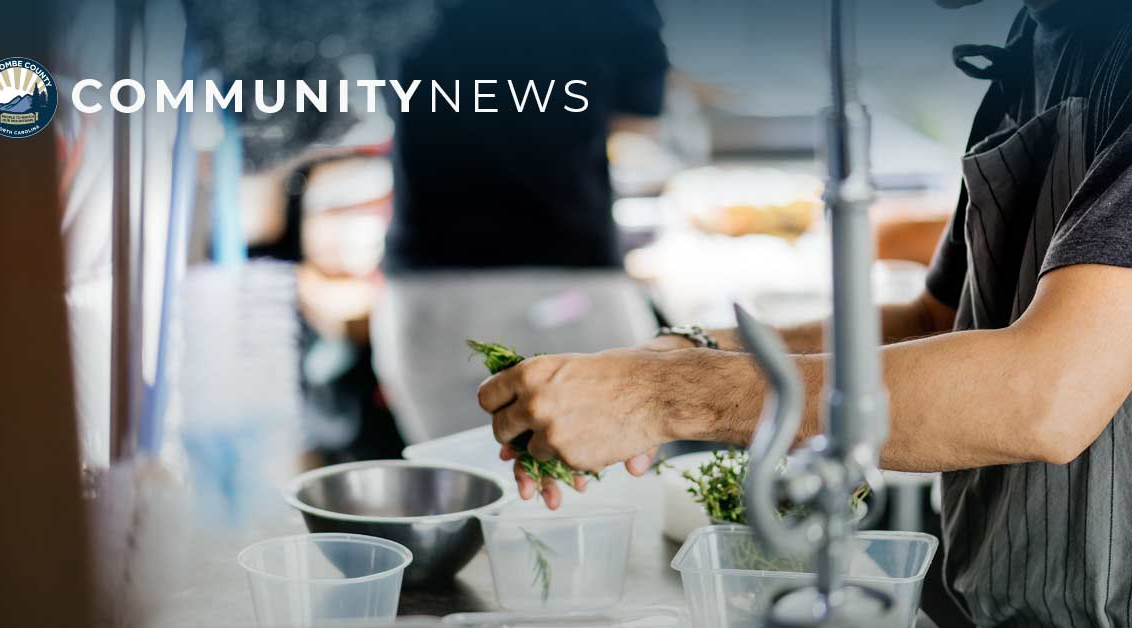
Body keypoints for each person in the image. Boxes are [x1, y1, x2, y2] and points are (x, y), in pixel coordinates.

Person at [478, 1, 1132, 625]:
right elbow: (938, 321)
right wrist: (691, 350)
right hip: (1007, 600)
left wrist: (659, 396)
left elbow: (1048, 393)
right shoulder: (1034, 47)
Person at [373, 0, 669, 443]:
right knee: (608, 493)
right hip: (567, 278)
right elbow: (637, 118)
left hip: (428, 288)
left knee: (458, 490)